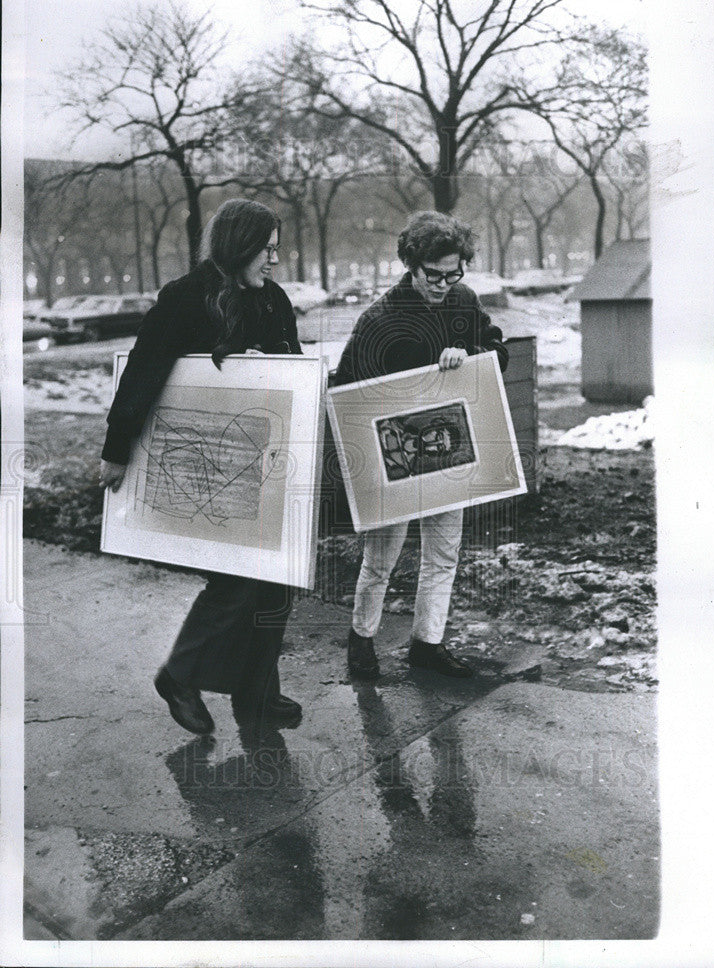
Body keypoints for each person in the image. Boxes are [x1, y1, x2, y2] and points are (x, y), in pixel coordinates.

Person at [99, 199, 303, 736]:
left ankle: (257, 693)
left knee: (276, 580)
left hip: (268, 465)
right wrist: (116, 449)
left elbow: (296, 366)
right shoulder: (185, 298)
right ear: (240, 246)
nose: (275, 261)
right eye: (268, 249)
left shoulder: (274, 299)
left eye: (278, 250)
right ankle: (179, 675)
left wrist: (277, 369)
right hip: (207, 471)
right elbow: (143, 373)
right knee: (236, 583)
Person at [334, 211, 509, 680]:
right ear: (411, 266)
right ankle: (362, 639)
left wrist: (470, 354)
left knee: (443, 553)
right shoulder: (379, 319)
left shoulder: (464, 302)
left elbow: (497, 353)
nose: (444, 284)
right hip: (394, 455)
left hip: (450, 453)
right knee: (381, 557)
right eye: (434, 275)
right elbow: (349, 390)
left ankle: (427, 644)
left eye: (454, 274)